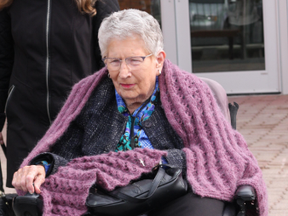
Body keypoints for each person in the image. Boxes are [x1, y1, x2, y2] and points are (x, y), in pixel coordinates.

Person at [12, 9, 268, 216]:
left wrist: (149, 165)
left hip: (176, 195)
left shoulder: (193, 93)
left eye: (134, 60)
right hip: (108, 200)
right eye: (114, 61)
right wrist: (42, 166)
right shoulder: (89, 95)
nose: (123, 73)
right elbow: (63, 154)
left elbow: (217, 156)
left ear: (158, 60)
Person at [0, 0, 119, 188]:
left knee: (78, 199)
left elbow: (111, 63)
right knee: (30, 201)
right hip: (26, 124)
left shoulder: (96, 1)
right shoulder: (11, 3)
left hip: (80, 124)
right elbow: (3, 63)